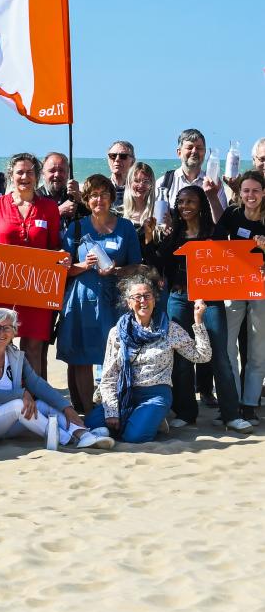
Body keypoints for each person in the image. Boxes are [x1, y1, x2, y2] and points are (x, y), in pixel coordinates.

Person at [144, 186, 251, 431]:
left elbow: (232, 261)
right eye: (181, 202)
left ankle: (230, 414)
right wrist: (149, 235)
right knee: (182, 357)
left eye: (191, 201)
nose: (185, 206)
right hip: (179, 299)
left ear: (201, 204)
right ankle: (186, 412)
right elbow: (157, 262)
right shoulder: (174, 233)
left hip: (210, 300)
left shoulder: (216, 232)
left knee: (220, 356)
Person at [84, 273, 213, 443]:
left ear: (154, 300)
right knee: (90, 425)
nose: (143, 301)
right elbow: (109, 377)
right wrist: (112, 412)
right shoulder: (117, 333)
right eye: (137, 297)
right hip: (124, 393)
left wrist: (198, 321)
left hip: (155, 394)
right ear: (129, 303)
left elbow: (203, 356)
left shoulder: (169, 329)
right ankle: (145, 420)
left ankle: (148, 420)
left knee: (134, 437)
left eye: (147, 296)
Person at [0, 308, 114, 449]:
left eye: (7, 327)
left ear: (14, 332)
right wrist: (21, 393)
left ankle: (83, 434)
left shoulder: (14, 355)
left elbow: (36, 383)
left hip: (10, 425)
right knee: (18, 405)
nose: (1, 332)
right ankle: (68, 439)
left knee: (45, 403)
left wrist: (66, 407)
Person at [56, 174, 141, 414]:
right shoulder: (76, 228)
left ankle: (114, 407)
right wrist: (83, 266)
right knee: (81, 356)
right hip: (82, 298)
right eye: (93, 195)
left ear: (112, 197)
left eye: (104, 194)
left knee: (116, 355)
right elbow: (62, 268)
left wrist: (117, 270)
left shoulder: (125, 227)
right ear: (86, 199)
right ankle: (85, 410)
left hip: (115, 299)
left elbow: (136, 265)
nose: (99, 199)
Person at [0, 152, 64, 375]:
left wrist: (62, 255)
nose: (25, 176)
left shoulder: (49, 207)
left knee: (33, 347)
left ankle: (32, 400)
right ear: (11, 176)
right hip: (3, 283)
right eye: (20, 172)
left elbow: (54, 246)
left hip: (36, 285)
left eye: (30, 172)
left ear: (37, 176)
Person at [214, 171, 265, 423]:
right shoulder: (233, 214)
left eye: (255, 190)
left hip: (261, 291)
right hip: (233, 285)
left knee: (258, 347)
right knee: (227, 346)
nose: (250, 195)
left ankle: (250, 404)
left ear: (263, 192)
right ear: (240, 193)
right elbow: (216, 242)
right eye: (246, 190)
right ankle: (231, 400)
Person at [155, 128, 226, 217]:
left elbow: (222, 223)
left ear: (204, 152)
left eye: (199, 148)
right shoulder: (163, 183)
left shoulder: (213, 184)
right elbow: (157, 220)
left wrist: (213, 197)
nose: (194, 151)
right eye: (189, 147)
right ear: (179, 152)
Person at [37, 151, 89, 231]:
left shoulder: (74, 195)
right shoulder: (35, 197)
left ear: (68, 173)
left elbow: (98, 216)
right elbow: (31, 223)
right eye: (52, 170)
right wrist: (58, 211)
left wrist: (81, 200)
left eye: (61, 170)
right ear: (43, 173)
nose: (57, 175)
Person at [121, 162, 156, 256]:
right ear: (129, 182)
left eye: (146, 181)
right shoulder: (118, 214)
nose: (141, 185)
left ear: (151, 185)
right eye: (136, 181)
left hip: (149, 268)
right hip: (124, 269)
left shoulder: (157, 214)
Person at [107, 140, 135, 209]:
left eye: (123, 156)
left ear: (132, 161)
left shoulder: (138, 190)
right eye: (113, 156)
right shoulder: (101, 187)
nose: (117, 159)